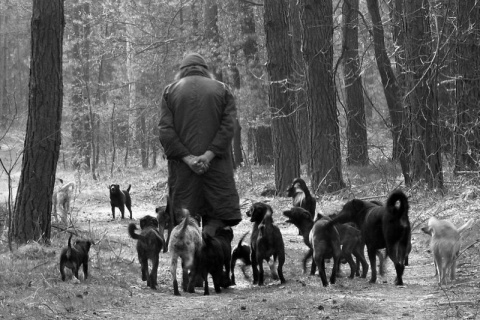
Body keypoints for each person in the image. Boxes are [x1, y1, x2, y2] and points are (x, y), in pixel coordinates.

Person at [158, 52, 242, 237]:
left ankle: (191, 265)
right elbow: (229, 127)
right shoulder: (222, 90)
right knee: (216, 228)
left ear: (182, 71)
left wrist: (189, 159)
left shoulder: (170, 92)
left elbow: (166, 132)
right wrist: (208, 156)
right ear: (205, 70)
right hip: (216, 171)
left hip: (184, 174)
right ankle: (213, 264)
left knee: (187, 227)